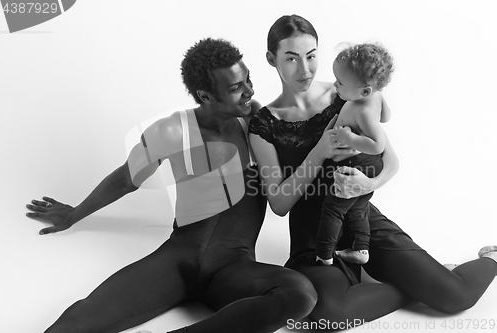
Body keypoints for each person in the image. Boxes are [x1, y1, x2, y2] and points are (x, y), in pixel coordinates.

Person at [25, 37, 317, 333]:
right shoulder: (171, 131)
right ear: (204, 95)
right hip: (178, 262)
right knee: (76, 323)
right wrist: (73, 215)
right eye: (235, 88)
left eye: (248, 80)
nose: (250, 91)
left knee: (299, 294)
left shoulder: (255, 119)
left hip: (233, 269)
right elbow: (127, 178)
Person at [249, 14, 497, 326]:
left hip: (361, 219)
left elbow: (390, 159)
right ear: (272, 59)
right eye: (291, 58)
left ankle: (492, 257)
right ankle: (404, 288)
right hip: (313, 235)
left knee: (456, 297)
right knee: (329, 315)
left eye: (311, 56)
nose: (304, 69)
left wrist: (369, 183)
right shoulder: (263, 124)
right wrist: (319, 151)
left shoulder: (348, 92)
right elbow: (279, 203)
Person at [315, 43, 394, 266]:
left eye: (340, 82)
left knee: (333, 209)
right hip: (367, 165)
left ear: (364, 91)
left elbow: (378, 145)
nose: (335, 84)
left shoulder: (364, 111)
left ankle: (324, 255)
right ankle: (361, 249)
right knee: (358, 208)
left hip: (358, 166)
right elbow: (386, 117)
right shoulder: (374, 98)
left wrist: (351, 139)